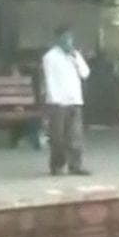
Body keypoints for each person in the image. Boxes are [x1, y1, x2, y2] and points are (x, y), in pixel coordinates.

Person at [41, 26, 90, 176]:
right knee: (58, 136)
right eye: (65, 38)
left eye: (70, 38)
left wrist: (75, 58)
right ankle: (57, 165)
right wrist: (54, 99)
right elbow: (49, 79)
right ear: (58, 39)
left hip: (74, 99)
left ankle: (75, 165)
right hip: (58, 102)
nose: (68, 41)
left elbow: (85, 73)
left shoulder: (75, 55)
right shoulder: (50, 57)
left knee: (75, 135)